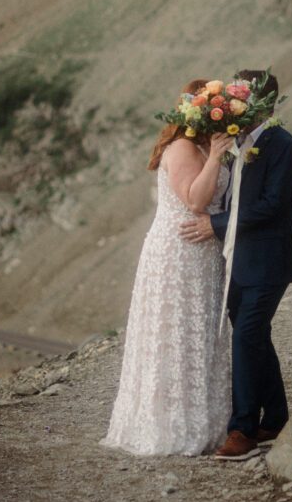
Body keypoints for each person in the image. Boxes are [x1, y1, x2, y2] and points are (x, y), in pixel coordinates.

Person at [99, 80, 234, 456]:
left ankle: (207, 418)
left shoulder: (207, 146)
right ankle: (170, 427)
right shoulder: (183, 148)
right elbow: (194, 200)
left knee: (201, 333)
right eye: (213, 108)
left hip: (204, 253)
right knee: (175, 334)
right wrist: (215, 159)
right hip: (179, 253)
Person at [180, 69, 292, 461]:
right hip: (238, 262)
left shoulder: (282, 144)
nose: (233, 102)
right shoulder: (235, 140)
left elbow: (272, 205)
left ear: (262, 103)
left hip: (268, 261)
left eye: (240, 95)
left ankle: (243, 430)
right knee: (254, 336)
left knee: (246, 336)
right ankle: (277, 416)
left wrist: (214, 225)